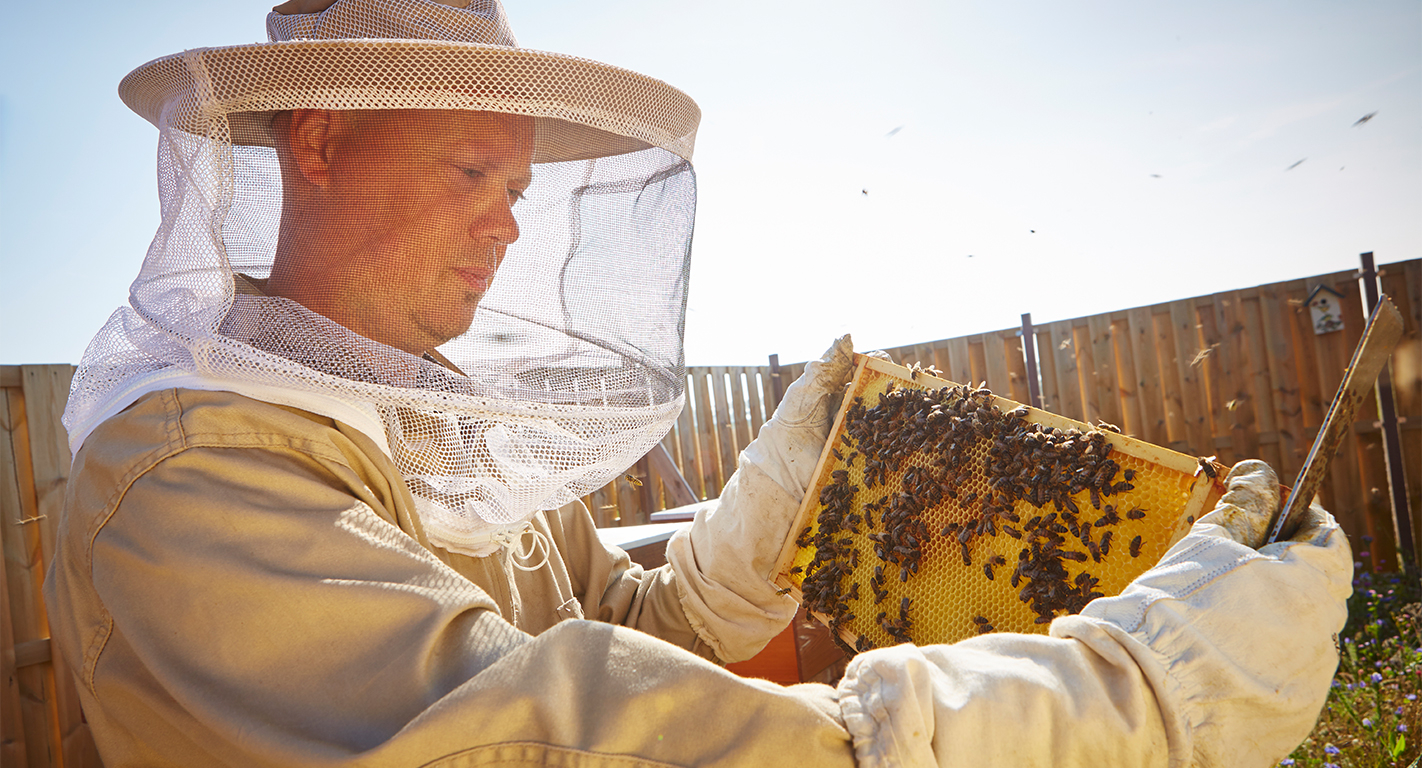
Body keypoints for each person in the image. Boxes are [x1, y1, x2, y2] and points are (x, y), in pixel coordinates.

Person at [45, 0, 1352, 765]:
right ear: (320, 143)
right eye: (467, 177)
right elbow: (536, 735)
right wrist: (1134, 698)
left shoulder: (435, 422)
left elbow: (621, 630)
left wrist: (760, 523)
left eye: (518, 188)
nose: (506, 226)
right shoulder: (185, 468)